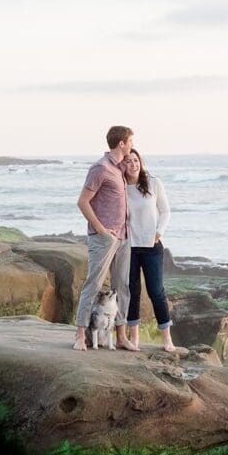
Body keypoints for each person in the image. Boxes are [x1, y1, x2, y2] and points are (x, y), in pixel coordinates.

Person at [73, 125, 139, 352]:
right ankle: (81, 336)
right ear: (121, 143)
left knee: (123, 287)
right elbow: (83, 201)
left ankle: (120, 336)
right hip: (104, 239)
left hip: (124, 237)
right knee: (94, 284)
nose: (132, 145)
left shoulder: (120, 169)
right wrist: (101, 230)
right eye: (130, 141)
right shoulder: (100, 168)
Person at [124, 149, 183, 353]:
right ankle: (134, 339)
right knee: (132, 292)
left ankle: (167, 339)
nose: (133, 164)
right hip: (128, 246)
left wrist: (158, 232)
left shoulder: (153, 182)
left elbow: (165, 211)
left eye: (136, 160)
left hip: (152, 247)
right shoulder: (120, 186)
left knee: (156, 291)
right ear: (122, 164)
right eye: (128, 161)